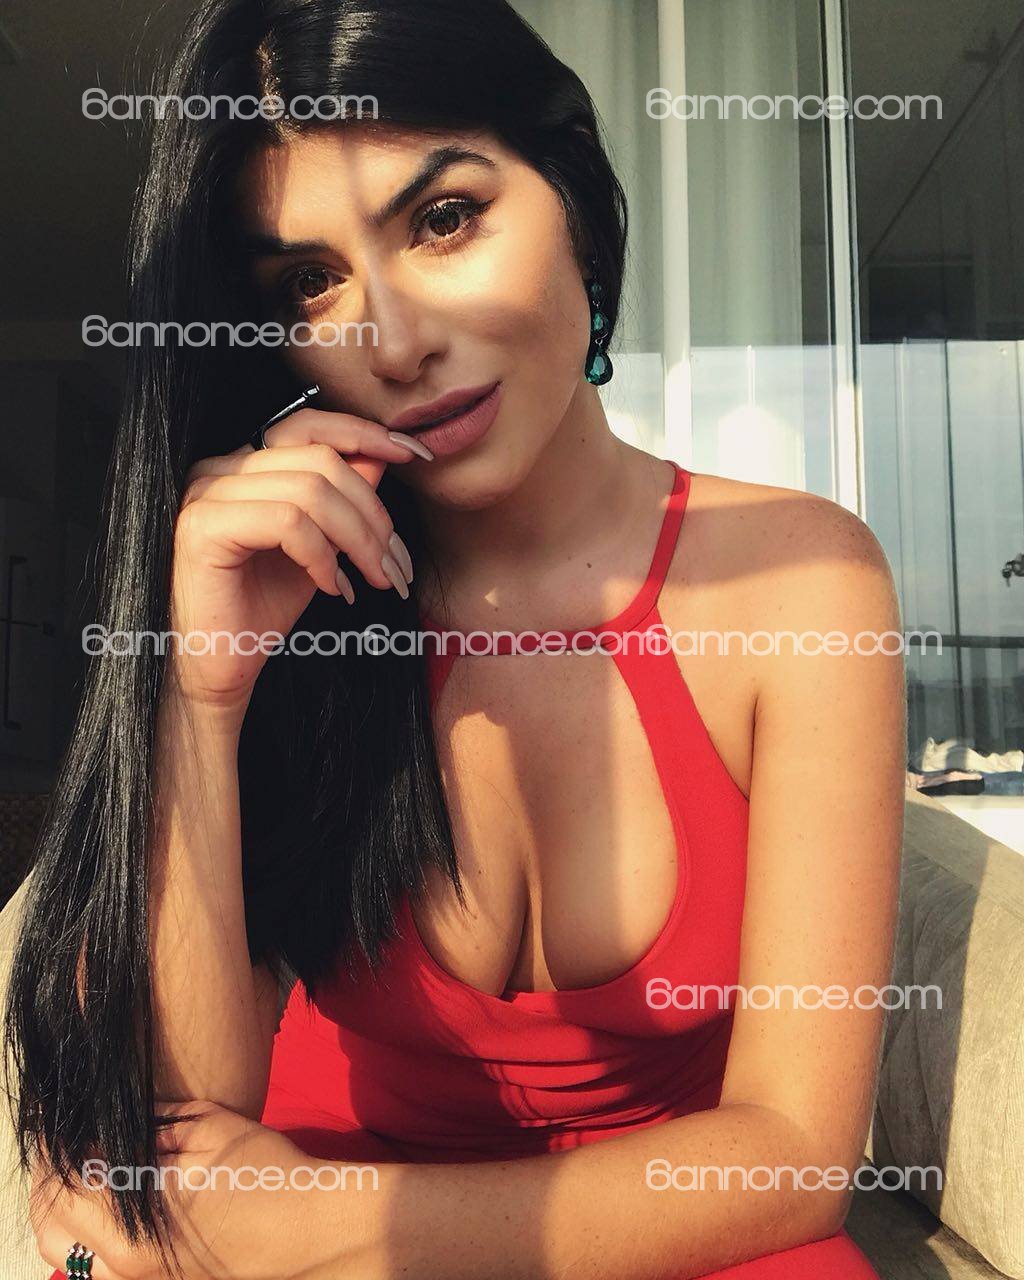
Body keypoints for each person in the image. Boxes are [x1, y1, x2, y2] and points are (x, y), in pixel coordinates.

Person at [4, 1, 906, 1276]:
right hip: (315, 1180)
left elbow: (794, 1156)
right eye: (309, 281)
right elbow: (185, 1136)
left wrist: (314, 1226)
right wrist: (201, 693)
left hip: (629, 1223)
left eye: (443, 218)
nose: (394, 340)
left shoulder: (800, 579)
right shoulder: (301, 596)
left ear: (573, 199)